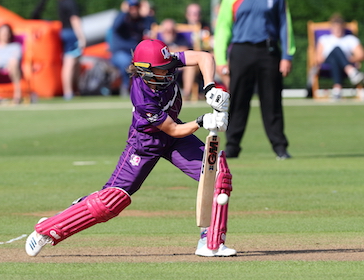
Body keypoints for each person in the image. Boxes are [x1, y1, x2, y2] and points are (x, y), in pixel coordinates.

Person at [25, 39, 237, 258]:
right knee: (111, 201)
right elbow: (173, 129)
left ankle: (210, 241)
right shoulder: (143, 96)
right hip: (145, 143)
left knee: (218, 177)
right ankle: (51, 227)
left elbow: (204, 57)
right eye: (162, 70)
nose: (169, 72)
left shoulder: (166, 62)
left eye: (168, 67)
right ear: (145, 71)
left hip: (174, 138)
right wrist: (203, 121)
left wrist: (210, 87)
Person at [214, 0, 296, 159]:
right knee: (238, 101)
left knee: (272, 100)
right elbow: (223, 27)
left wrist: (287, 55)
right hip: (241, 51)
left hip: (269, 51)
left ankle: (280, 147)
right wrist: (221, 58)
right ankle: (232, 146)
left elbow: (285, 24)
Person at [109, 0, 155, 97]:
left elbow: (152, 27)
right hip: (120, 52)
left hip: (136, 53)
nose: (133, 10)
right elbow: (115, 26)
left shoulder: (142, 20)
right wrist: (124, 11)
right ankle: (126, 87)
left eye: (136, 7)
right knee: (126, 62)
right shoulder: (122, 18)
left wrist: (148, 13)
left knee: (153, 62)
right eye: (131, 7)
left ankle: (149, 89)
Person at [315, 13, 364, 99]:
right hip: (327, 62)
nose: (338, 30)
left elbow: (361, 54)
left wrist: (350, 59)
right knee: (336, 50)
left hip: (344, 62)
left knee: (336, 59)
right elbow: (318, 58)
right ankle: (351, 72)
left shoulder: (350, 39)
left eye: (339, 27)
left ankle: (337, 91)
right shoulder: (324, 39)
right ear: (331, 28)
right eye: (335, 27)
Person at [159, 18, 196, 101]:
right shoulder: (158, 40)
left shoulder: (181, 37)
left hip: (178, 63)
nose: (170, 33)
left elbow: (185, 50)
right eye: (167, 31)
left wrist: (169, 51)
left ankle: (186, 94)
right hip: (164, 65)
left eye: (172, 30)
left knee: (190, 66)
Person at [57, 0, 86, 100]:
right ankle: (68, 92)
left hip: (66, 31)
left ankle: (75, 90)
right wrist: (81, 37)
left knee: (75, 62)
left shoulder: (62, 2)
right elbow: (74, 19)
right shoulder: (70, 2)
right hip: (71, 33)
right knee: (69, 62)